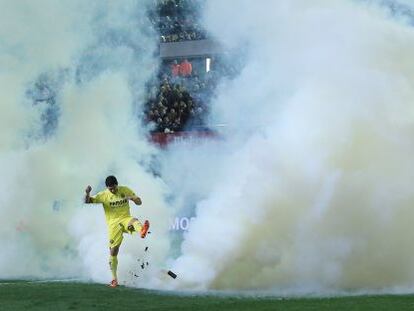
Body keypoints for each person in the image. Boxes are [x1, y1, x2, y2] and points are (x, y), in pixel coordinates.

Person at [84, 175, 150, 288]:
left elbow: (140, 202)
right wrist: (87, 193)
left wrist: (132, 198)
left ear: (117, 184)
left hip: (125, 218)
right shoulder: (103, 195)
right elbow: (88, 201)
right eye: (110, 189)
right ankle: (114, 279)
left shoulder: (125, 190)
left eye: (114, 188)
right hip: (113, 224)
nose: (113, 190)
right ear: (107, 187)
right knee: (113, 251)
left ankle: (142, 231)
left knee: (134, 221)